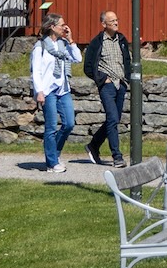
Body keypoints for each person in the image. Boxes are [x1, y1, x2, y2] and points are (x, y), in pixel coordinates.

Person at [30, 12, 80, 173]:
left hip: (62, 89)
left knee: (69, 123)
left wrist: (71, 40)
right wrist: (40, 92)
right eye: (61, 25)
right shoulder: (41, 47)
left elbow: (77, 59)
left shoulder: (63, 44)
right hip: (48, 91)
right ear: (52, 27)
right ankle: (51, 163)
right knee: (51, 126)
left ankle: (54, 154)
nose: (65, 27)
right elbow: (36, 71)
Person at [84, 9, 132, 166]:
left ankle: (93, 145)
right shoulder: (97, 42)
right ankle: (117, 156)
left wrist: (127, 79)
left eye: (117, 20)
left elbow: (127, 61)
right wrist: (103, 79)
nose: (116, 23)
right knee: (112, 118)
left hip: (121, 84)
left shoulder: (122, 40)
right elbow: (88, 67)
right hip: (108, 86)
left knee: (114, 119)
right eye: (112, 21)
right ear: (104, 24)